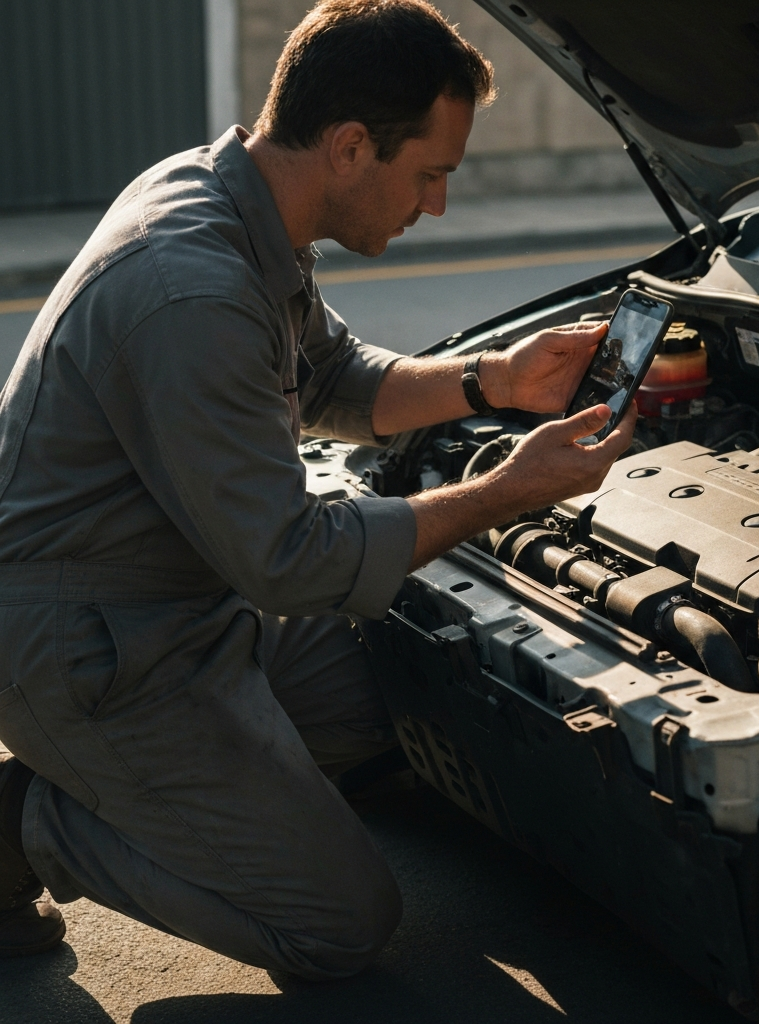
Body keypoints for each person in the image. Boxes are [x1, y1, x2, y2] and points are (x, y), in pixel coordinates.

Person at [0, 0, 636, 974]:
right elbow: (292, 562)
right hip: (90, 648)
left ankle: (218, 791)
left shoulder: (237, 199)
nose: (437, 206)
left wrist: (492, 379)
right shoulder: (195, 290)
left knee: (410, 687)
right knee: (340, 926)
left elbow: (334, 381)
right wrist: (507, 488)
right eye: (430, 174)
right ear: (348, 146)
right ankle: (29, 820)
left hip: (184, 597)